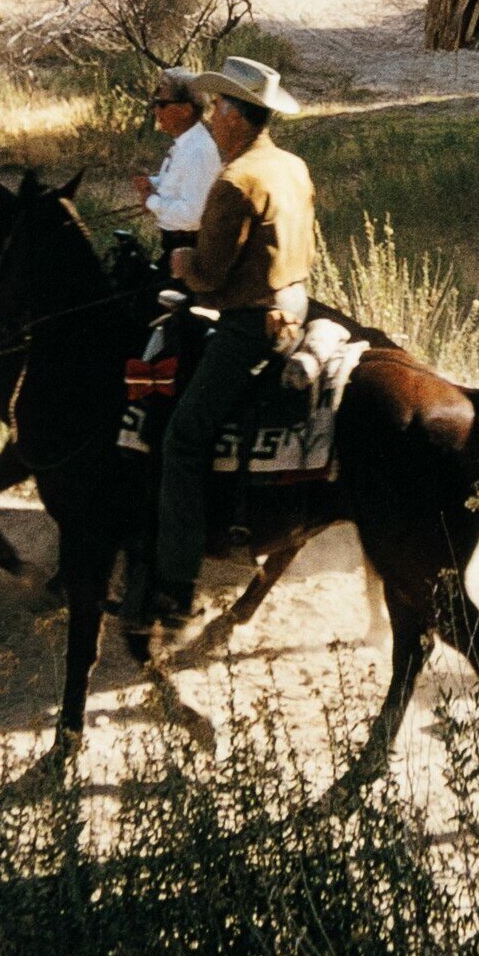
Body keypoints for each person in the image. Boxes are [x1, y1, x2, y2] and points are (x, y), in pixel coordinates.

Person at [146, 54, 312, 636]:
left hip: (249, 325)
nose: (210, 116)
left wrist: (183, 262)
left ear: (237, 116)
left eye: (217, 107)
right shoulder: (290, 166)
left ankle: (175, 587)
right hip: (296, 308)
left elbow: (210, 275)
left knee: (183, 438)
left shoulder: (235, 181)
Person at [131, 67, 222, 254]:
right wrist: (153, 183)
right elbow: (179, 183)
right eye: (155, 103)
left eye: (162, 104)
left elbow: (192, 215)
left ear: (185, 110)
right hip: (175, 246)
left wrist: (151, 201)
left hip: (189, 250)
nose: (156, 110)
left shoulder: (198, 150)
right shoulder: (185, 143)